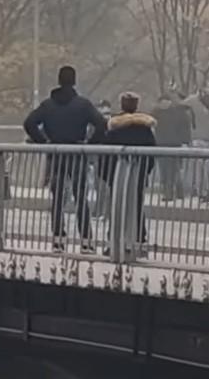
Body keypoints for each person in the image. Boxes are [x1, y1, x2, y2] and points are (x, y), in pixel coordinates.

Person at [23, 65, 108, 249]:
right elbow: (101, 124)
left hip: (56, 153)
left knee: (58, 199)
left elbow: (29, 123)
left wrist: (43, 142)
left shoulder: (48, 105)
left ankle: (58, 238)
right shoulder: (83, 105)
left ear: (59, 81)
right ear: (74, 81)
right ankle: (86, 240)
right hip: (77, 154)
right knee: (80, 198)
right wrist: (90, 144)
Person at [99, 93, 157, 252]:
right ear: (136, 105)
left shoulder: (115, 127)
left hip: (117, 176)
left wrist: (107, 176)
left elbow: (105, 154)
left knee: (116, 208)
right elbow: (151, 153)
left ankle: (114, 242)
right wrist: (145, 172)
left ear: (122, 105)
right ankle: (138, 240)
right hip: (138, 175)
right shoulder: (145, 129)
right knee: (137, 206)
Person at [151, 94, 193, 202]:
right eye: (162, 102)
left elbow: (185, 128)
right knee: (167, 171)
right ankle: (175, 192)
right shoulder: (155, 114)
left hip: (174, 145)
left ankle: (171, 193)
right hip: (162, 145)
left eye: (166, 101)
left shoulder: (178, 114)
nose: (164, 104)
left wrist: (186, 142)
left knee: (173, 171)